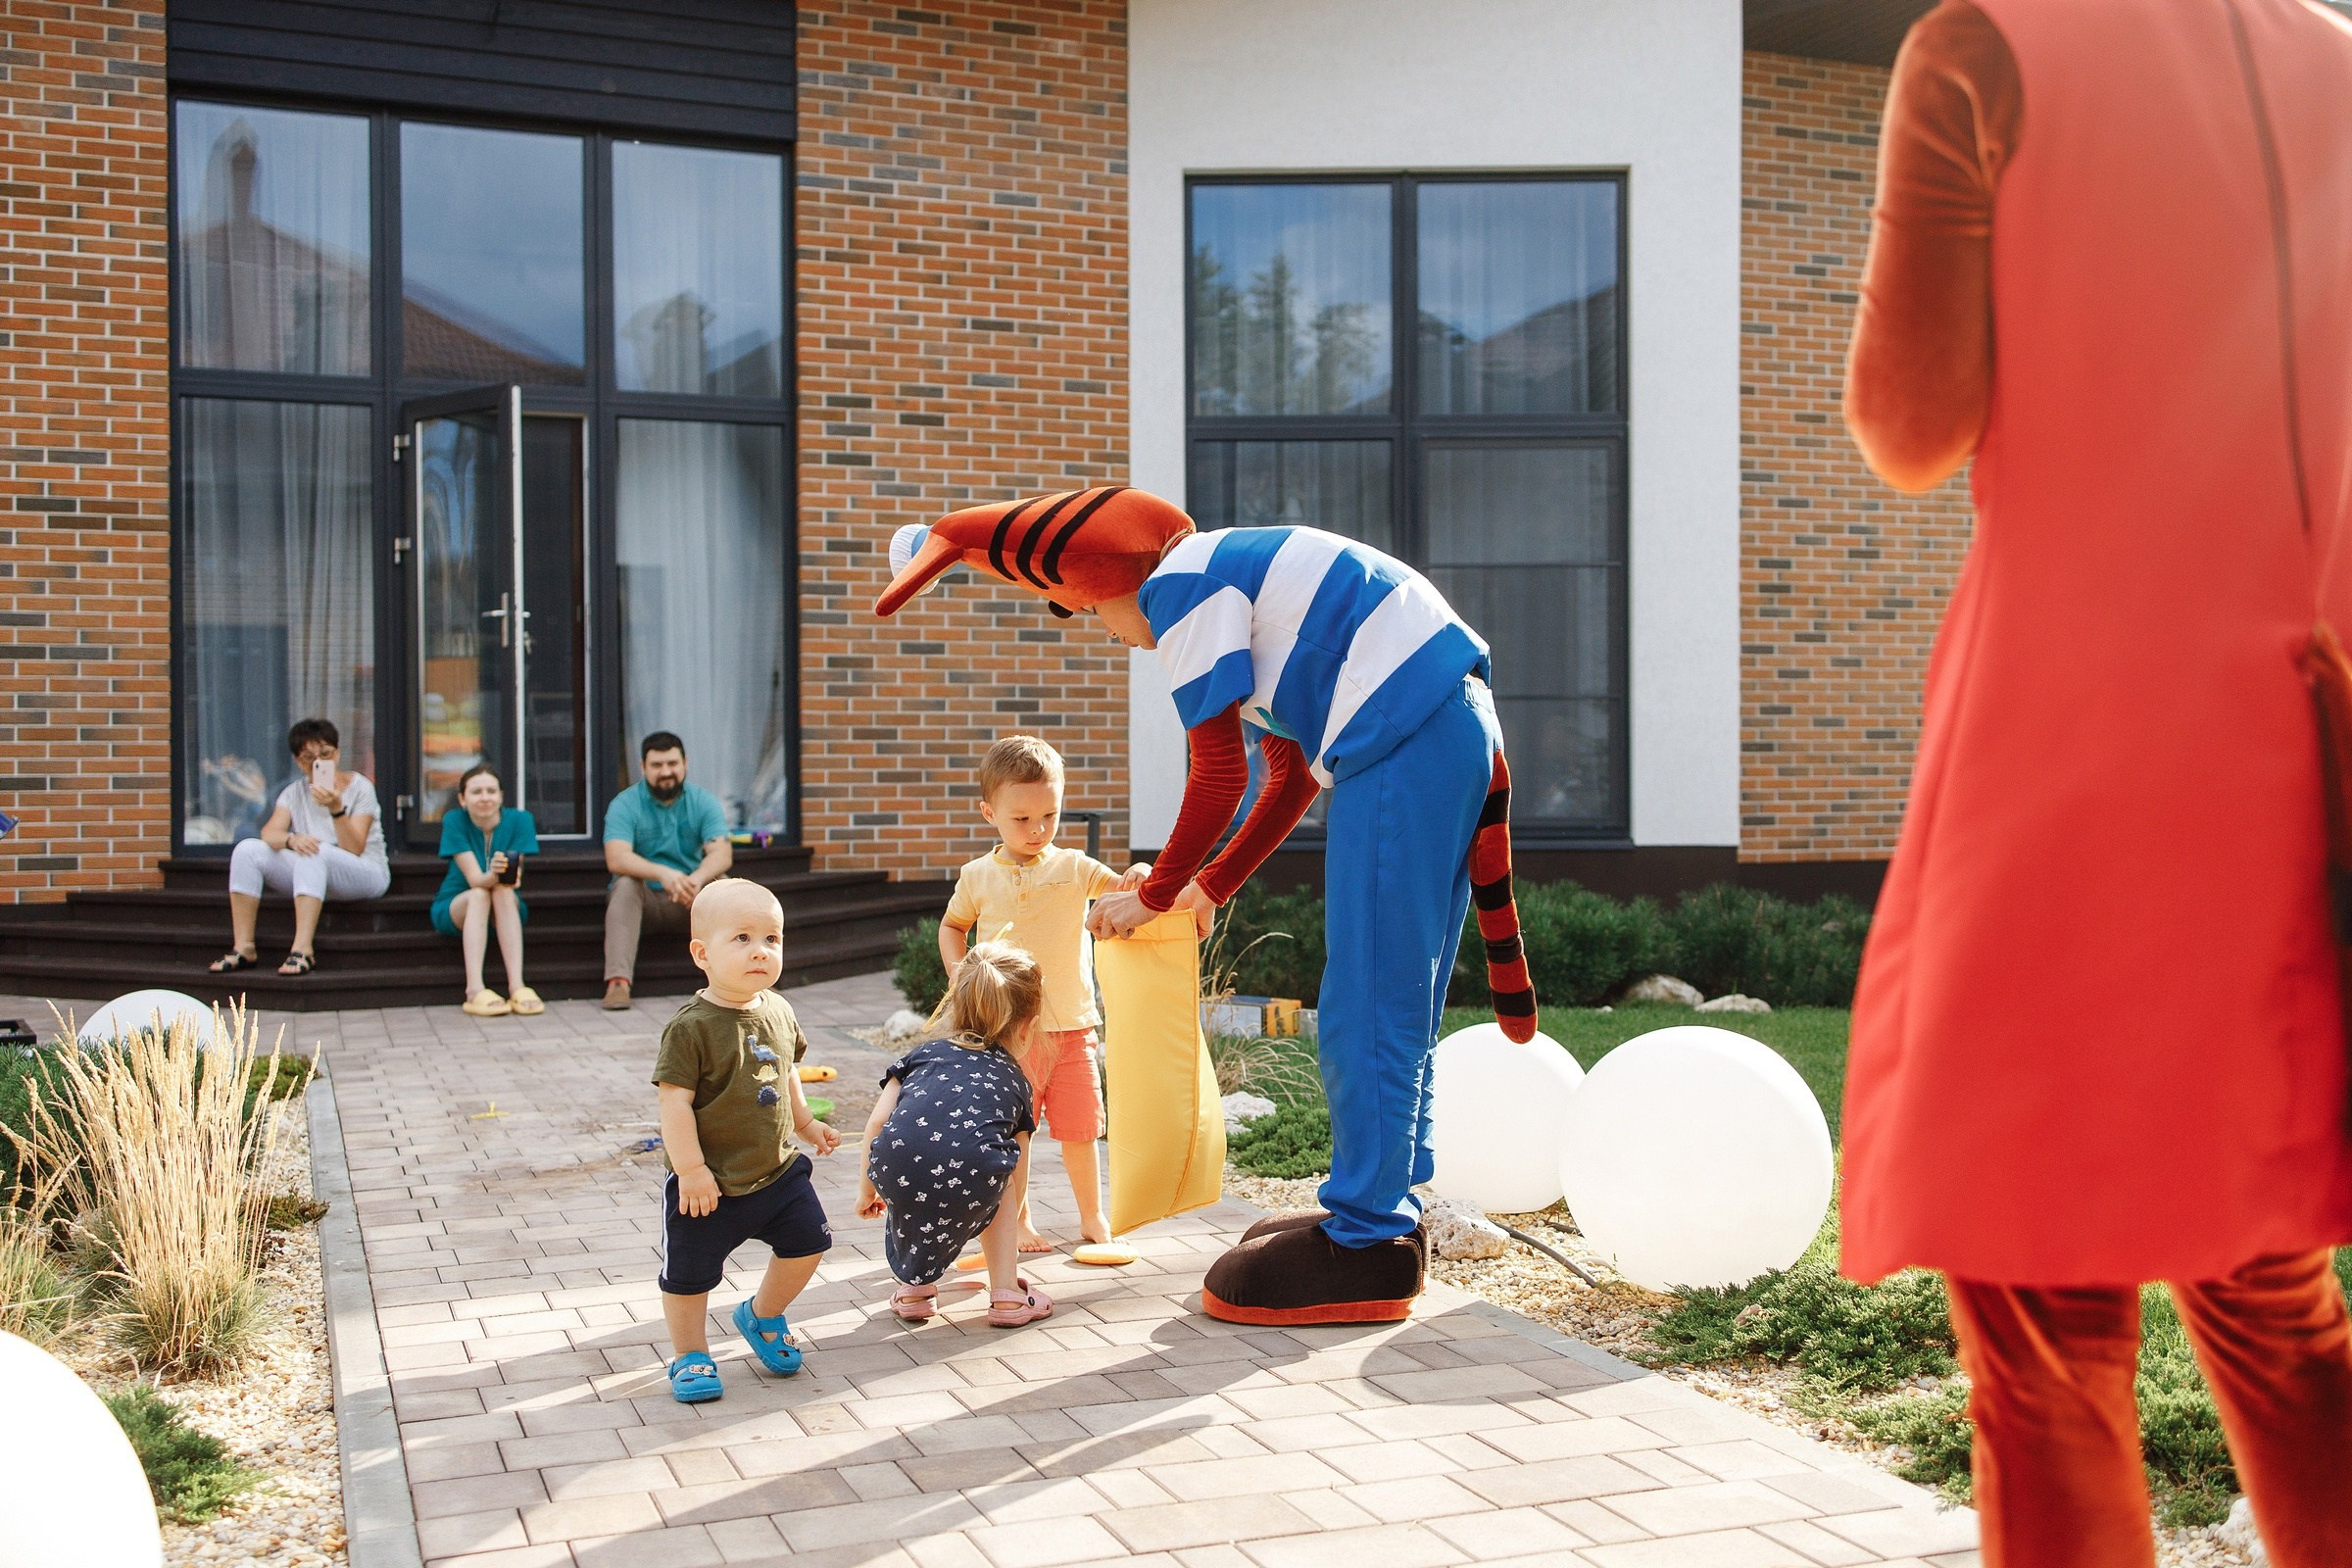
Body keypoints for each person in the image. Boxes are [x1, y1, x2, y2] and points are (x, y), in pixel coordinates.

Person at [1839, 3, 2352, 1563]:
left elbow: (1910, 427)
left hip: (2074, 758)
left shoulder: (1991, 46)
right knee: (2273, 1297)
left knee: (2045, 1320)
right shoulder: (2339, 64)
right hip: (2297, 753)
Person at [874, 487, 1537, 1325]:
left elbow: (1219, 774)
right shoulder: (1230, 588)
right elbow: (1286, 775)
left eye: (1078, 613)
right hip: (1436, 717)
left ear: (1091, 585)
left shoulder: (1177, 592)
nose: (1112, 637)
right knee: (1401, 992)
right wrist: (1209, 885)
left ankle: (1368, 1242)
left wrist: (1151, 898)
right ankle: (1384, 1210)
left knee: (1368, 1001)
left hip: (1403, 730)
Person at [940, 735, 1150, 1253]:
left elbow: (1126, 891)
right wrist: (960, 975)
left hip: (1074, 1027)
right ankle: (1020, 1220)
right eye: (1021, 819)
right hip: (1007, 1034)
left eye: (1049, 817)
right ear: (989, 812)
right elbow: (952, 928)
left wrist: (1143, 875)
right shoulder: (977, 876)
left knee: (1081, 1130)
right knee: (1016, 1135)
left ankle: (1093, 1216)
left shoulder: (1076, 867)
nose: (1037, 830)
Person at [652, 878, 839, 1404]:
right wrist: (690, 1169)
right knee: (689, 1277)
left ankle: (762, 1314)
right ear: (701, 953)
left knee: (809, 1244)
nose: (761, 950)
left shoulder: (778, 1009)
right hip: (709, 1184)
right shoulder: (691, 1028)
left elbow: (787, 1071)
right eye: (742, 939)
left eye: (772, 939)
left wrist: (805, 1125)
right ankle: (690, 1353)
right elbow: (674, 1103)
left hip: (778, 1171)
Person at [855, 940, 1054, 1327]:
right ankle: (1008, 1297)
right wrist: (1008, 1208)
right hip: (972, 1174)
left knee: (911, 1165)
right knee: (1002, 1185)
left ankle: (915, 1291)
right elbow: (1019, 1163)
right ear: (1028, 1026)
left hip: (897, 1168)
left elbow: (878, 1124)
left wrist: (867, 1187)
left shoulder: (922, 1055)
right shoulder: (1014, 1079)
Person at [211, 717, 390, 978]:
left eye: (326, 754)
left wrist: (336, 808)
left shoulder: (360, 787)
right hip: (313, 871)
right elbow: (269, 833)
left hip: (365, 872)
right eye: (308, 757)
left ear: (338, 754)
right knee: (247, 850)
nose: (318, 763)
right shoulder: (294, 792)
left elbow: (354, 848)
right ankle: (244, 947)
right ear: (298, 761)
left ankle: (303, 949)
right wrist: (291, 840)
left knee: (314, 850)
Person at [604, 731, 733, 1010]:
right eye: (657, 765)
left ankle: (737, 979)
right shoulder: (624, 804)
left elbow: (722, 853)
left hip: (691, 903)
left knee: (722, 885)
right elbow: (616, 858)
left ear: (685, 763)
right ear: (643, 767)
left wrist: (696, 880)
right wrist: (664, 874)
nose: (666, 772)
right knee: (625, 884)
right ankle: (617, 983)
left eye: (672, 764)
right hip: (645, 903)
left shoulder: (703, 801)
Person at [430, 765, 542, 1018]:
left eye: (491, 791)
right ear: (462, 798)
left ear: (501, 796)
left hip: (504, 905)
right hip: (457, 904)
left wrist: (507, 876)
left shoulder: (520, 820)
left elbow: (513, 877)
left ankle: (517, 986)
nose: (485, 798)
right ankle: (474, 989)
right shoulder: (454, 820)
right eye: (476, 791)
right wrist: (495, 874)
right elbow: (475, 879)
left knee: (501, 891)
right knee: (481, 892)